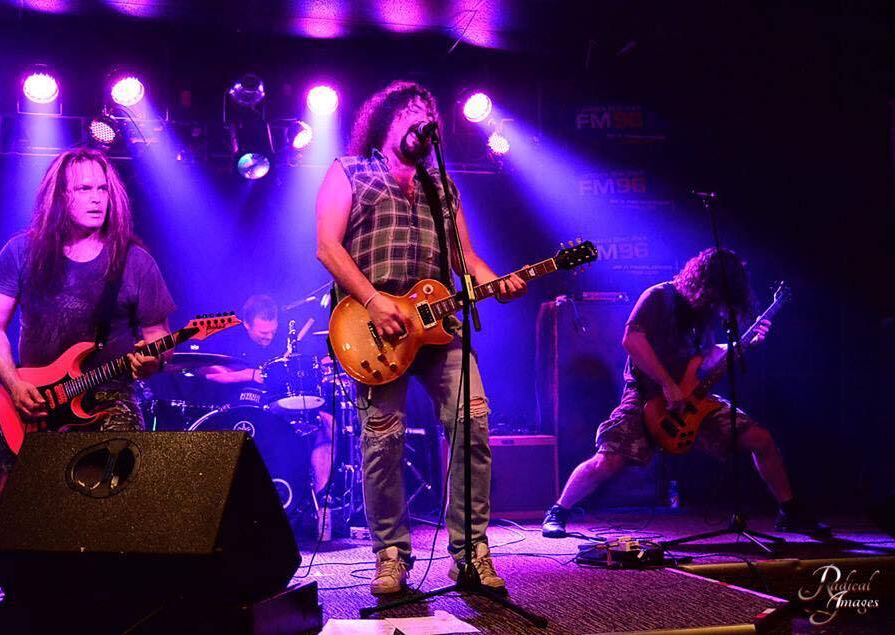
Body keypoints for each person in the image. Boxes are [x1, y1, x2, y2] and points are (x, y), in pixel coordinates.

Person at [316, 80, 526, 595]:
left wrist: (497, 281)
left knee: (473, 424)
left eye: (428, 112)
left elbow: (465, 259)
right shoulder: (350, 170)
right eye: (410, 110)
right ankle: (391, 554)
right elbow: (327, 247)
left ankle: (471, 552)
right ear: (385, 119)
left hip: (438, 327)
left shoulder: (441, 186)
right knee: (382, 440)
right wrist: (373, 300)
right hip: (374, 326)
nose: (421, 118)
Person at [0, 147, 175, 586]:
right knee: (15, 494)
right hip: (33, 395)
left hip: (109, 394)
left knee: (117, 489)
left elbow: (159, 339)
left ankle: (112, 574)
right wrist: (14, 384)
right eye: (84, 189)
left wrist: (150, 361)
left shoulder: (134, 261)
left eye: (103, 189)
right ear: (59, 196)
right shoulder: (21, 251)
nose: (97, 198)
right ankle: (13, 563)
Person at [541, 248, 829, 538]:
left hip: (691, 397)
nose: (715, 300)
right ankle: (558, 511)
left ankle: (790, 511)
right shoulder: (659, 296)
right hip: (646, 395)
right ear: (703, 281)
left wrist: (745, 344)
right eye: (714, 291)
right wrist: (668, 384)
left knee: (760, 439)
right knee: (609, 459)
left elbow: (707, 356)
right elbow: (632, 340)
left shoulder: (703, 313)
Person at [204, 294, 335, 515]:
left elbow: (310, 363)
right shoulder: (230, 341)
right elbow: (209, 374)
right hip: (244, 409)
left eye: (272, 331)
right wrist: (249, 374)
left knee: (327, 422)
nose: (269, 336)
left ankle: (322, 501)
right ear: (247, 324)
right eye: (263, 333)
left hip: (281, 405)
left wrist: (323, 364)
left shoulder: (286, 339)